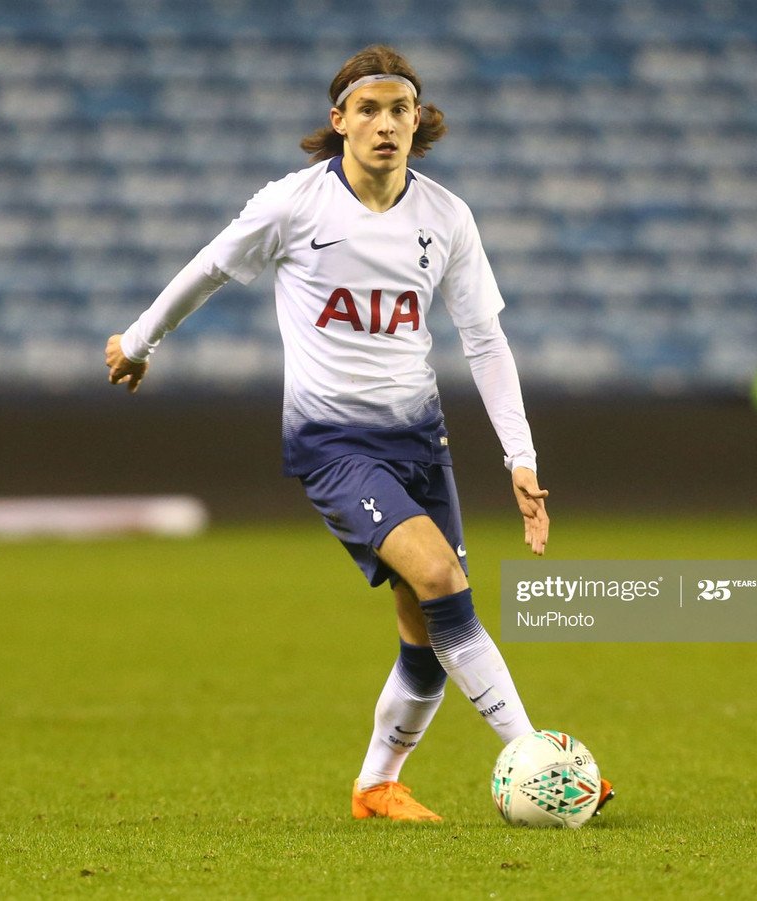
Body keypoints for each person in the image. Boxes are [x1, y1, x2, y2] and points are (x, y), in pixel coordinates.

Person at [104, 44, 612, 822]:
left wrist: (520, 454)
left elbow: (484, 340)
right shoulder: (294, 204)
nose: (385, 124)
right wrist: (139, 341)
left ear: (418, 122)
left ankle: (377, 786)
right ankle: (540, 759)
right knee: (443, 580)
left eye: (399, 110)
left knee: (426, 632)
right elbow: (210, 266)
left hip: (420, 442)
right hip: (333, 445)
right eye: (368, 110)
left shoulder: (446, 217)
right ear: (338, 120)